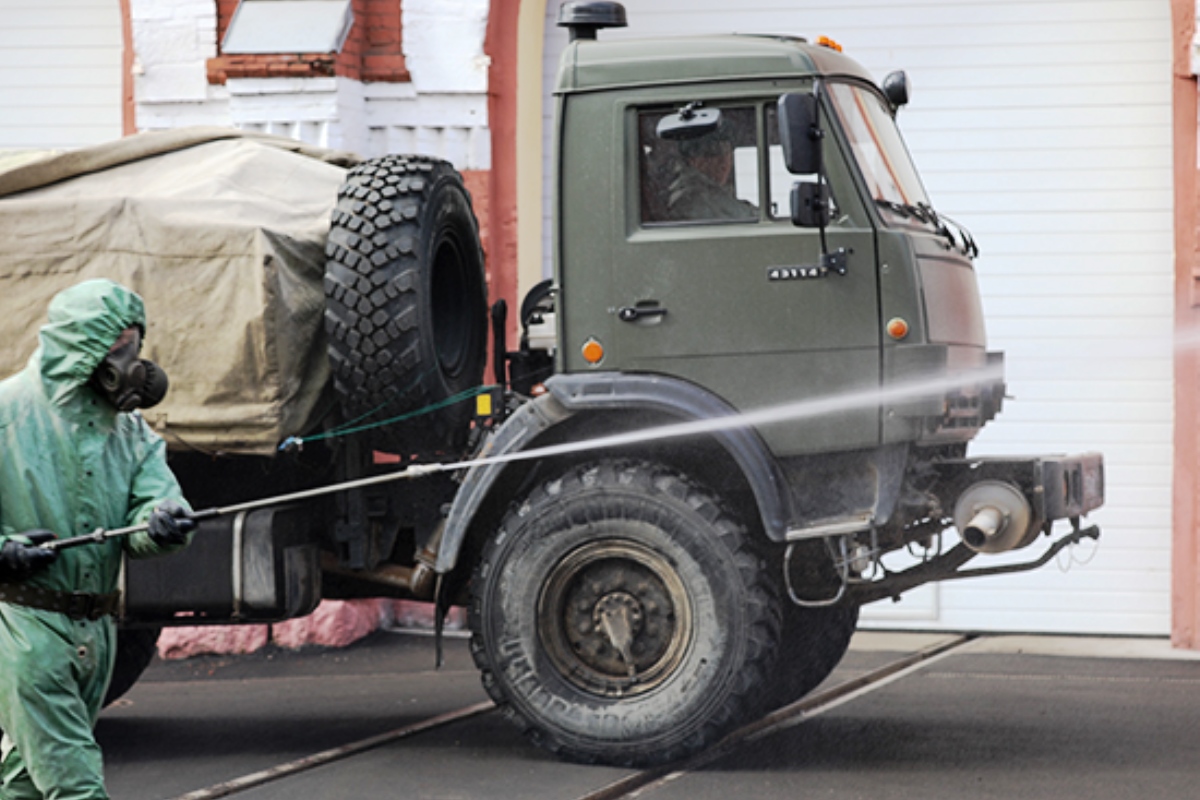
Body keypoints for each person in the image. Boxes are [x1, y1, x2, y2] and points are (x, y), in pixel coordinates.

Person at [0, 278, 196, 800]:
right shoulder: (6, 416)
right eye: (117, 348)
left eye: (135, 345)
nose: (131, 361)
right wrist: (4, 551)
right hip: (27, 629)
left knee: (24, 781)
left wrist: (164, 522)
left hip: (98, 632)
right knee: (75, 782)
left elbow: (159, 499)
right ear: (77, 348)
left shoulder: (131, 434)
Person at [666, 129, 758, 222]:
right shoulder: (689, 199)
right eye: (714, 153)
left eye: (728, 153)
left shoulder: (714, 192)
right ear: (694, 160)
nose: (724, 162)